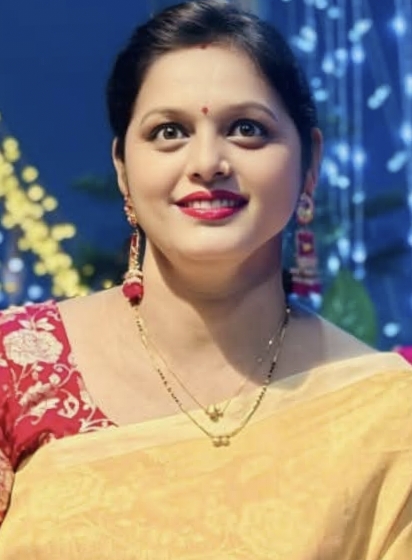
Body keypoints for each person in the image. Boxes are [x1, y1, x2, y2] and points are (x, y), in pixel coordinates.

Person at [0, 1, 411, 557]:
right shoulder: (15, 367)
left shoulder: (384, 411)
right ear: (122, 167)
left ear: (309, 163)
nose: (207, 162)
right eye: (169, 131)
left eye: (247, 129)